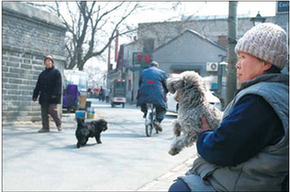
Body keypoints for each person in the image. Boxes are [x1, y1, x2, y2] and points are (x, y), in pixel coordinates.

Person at [169, 23, 288, 191]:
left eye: (243, 57)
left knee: (180, 188)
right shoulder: (278, 92)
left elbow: (221, 151)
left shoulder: (258, 101)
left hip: (243, 183)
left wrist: (202, 135)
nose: (237, 64)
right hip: (259, 179)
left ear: (266, 62)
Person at [33, 55, 62, 133]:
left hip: (53, 96)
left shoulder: (56, 72)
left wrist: (55, 94)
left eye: (49, 61)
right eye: (46, 62)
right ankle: (45, 127)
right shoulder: (42, 74)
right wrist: (35, 96)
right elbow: (38, 85)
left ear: (52, 63)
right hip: (44, 96)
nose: (47, 63)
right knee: (44, 112)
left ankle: (59, 124)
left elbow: (58, 84)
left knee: (53, 110)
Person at [137, 61, 168, 131]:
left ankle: (146, 113)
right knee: (163, 108)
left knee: (143, 103)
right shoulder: (162, 73)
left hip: (144, 92)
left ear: (150, 66)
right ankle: (157, 121)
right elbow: (166, 85)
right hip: (158, 93)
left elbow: (140, 83)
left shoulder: (143, 72)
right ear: (157, 66)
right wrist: (166, 91)